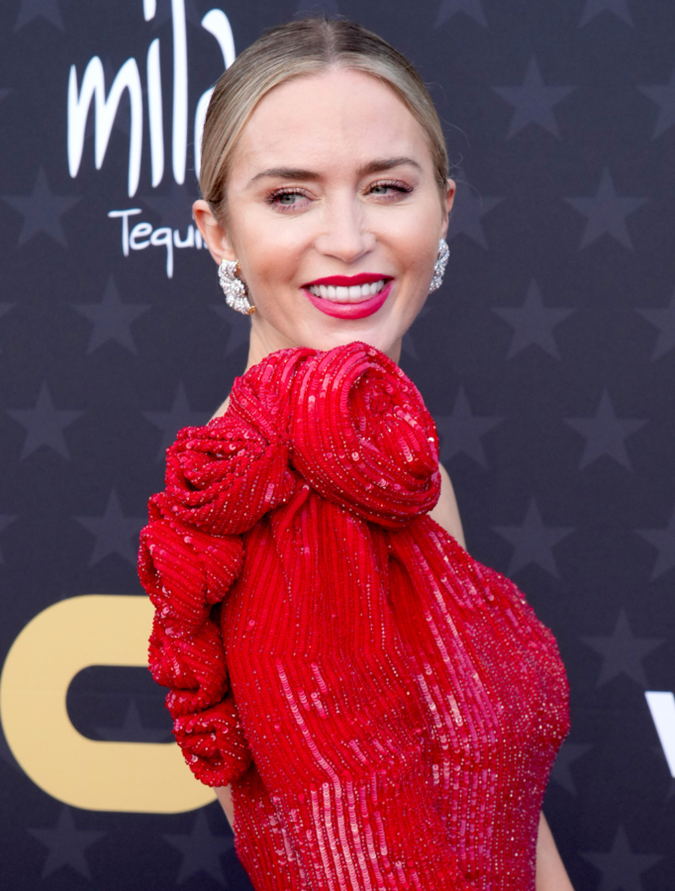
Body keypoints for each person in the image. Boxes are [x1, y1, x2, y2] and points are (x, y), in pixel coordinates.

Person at [138, 17, 574, 891]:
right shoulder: (260, 494)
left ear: (443, 207)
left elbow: (499, 815)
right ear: (218, 233)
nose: (345, 237)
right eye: (288, 196)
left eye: (385, 187)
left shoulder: (386, 457)